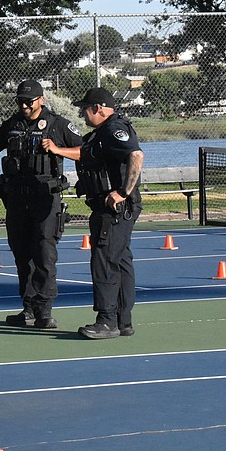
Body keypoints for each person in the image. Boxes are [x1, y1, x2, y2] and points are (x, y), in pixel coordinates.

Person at [0, 79, 83, 330]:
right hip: (17, 200)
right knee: (22, 255)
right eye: (20, 101)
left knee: (44, 254)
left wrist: (57, 149)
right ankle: (28, 309)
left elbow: (84, 150)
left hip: (45, 199)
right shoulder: (13, 124)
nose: (24, 105)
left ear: (41, 100)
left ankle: (45, 310)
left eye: (29, 101)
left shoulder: (58, 125)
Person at [43, 87, 143, 340]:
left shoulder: (113, 130)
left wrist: (123, 191)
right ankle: (123, 320)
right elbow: (86, 153)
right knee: (119, 260)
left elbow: (136, 155)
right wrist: (57, 150)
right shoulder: (101, 133)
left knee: (105, 261)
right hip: (107, 206)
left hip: (115, 208)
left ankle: (107, 321)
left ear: (98, 108)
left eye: (85, 109)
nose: (83, 114)